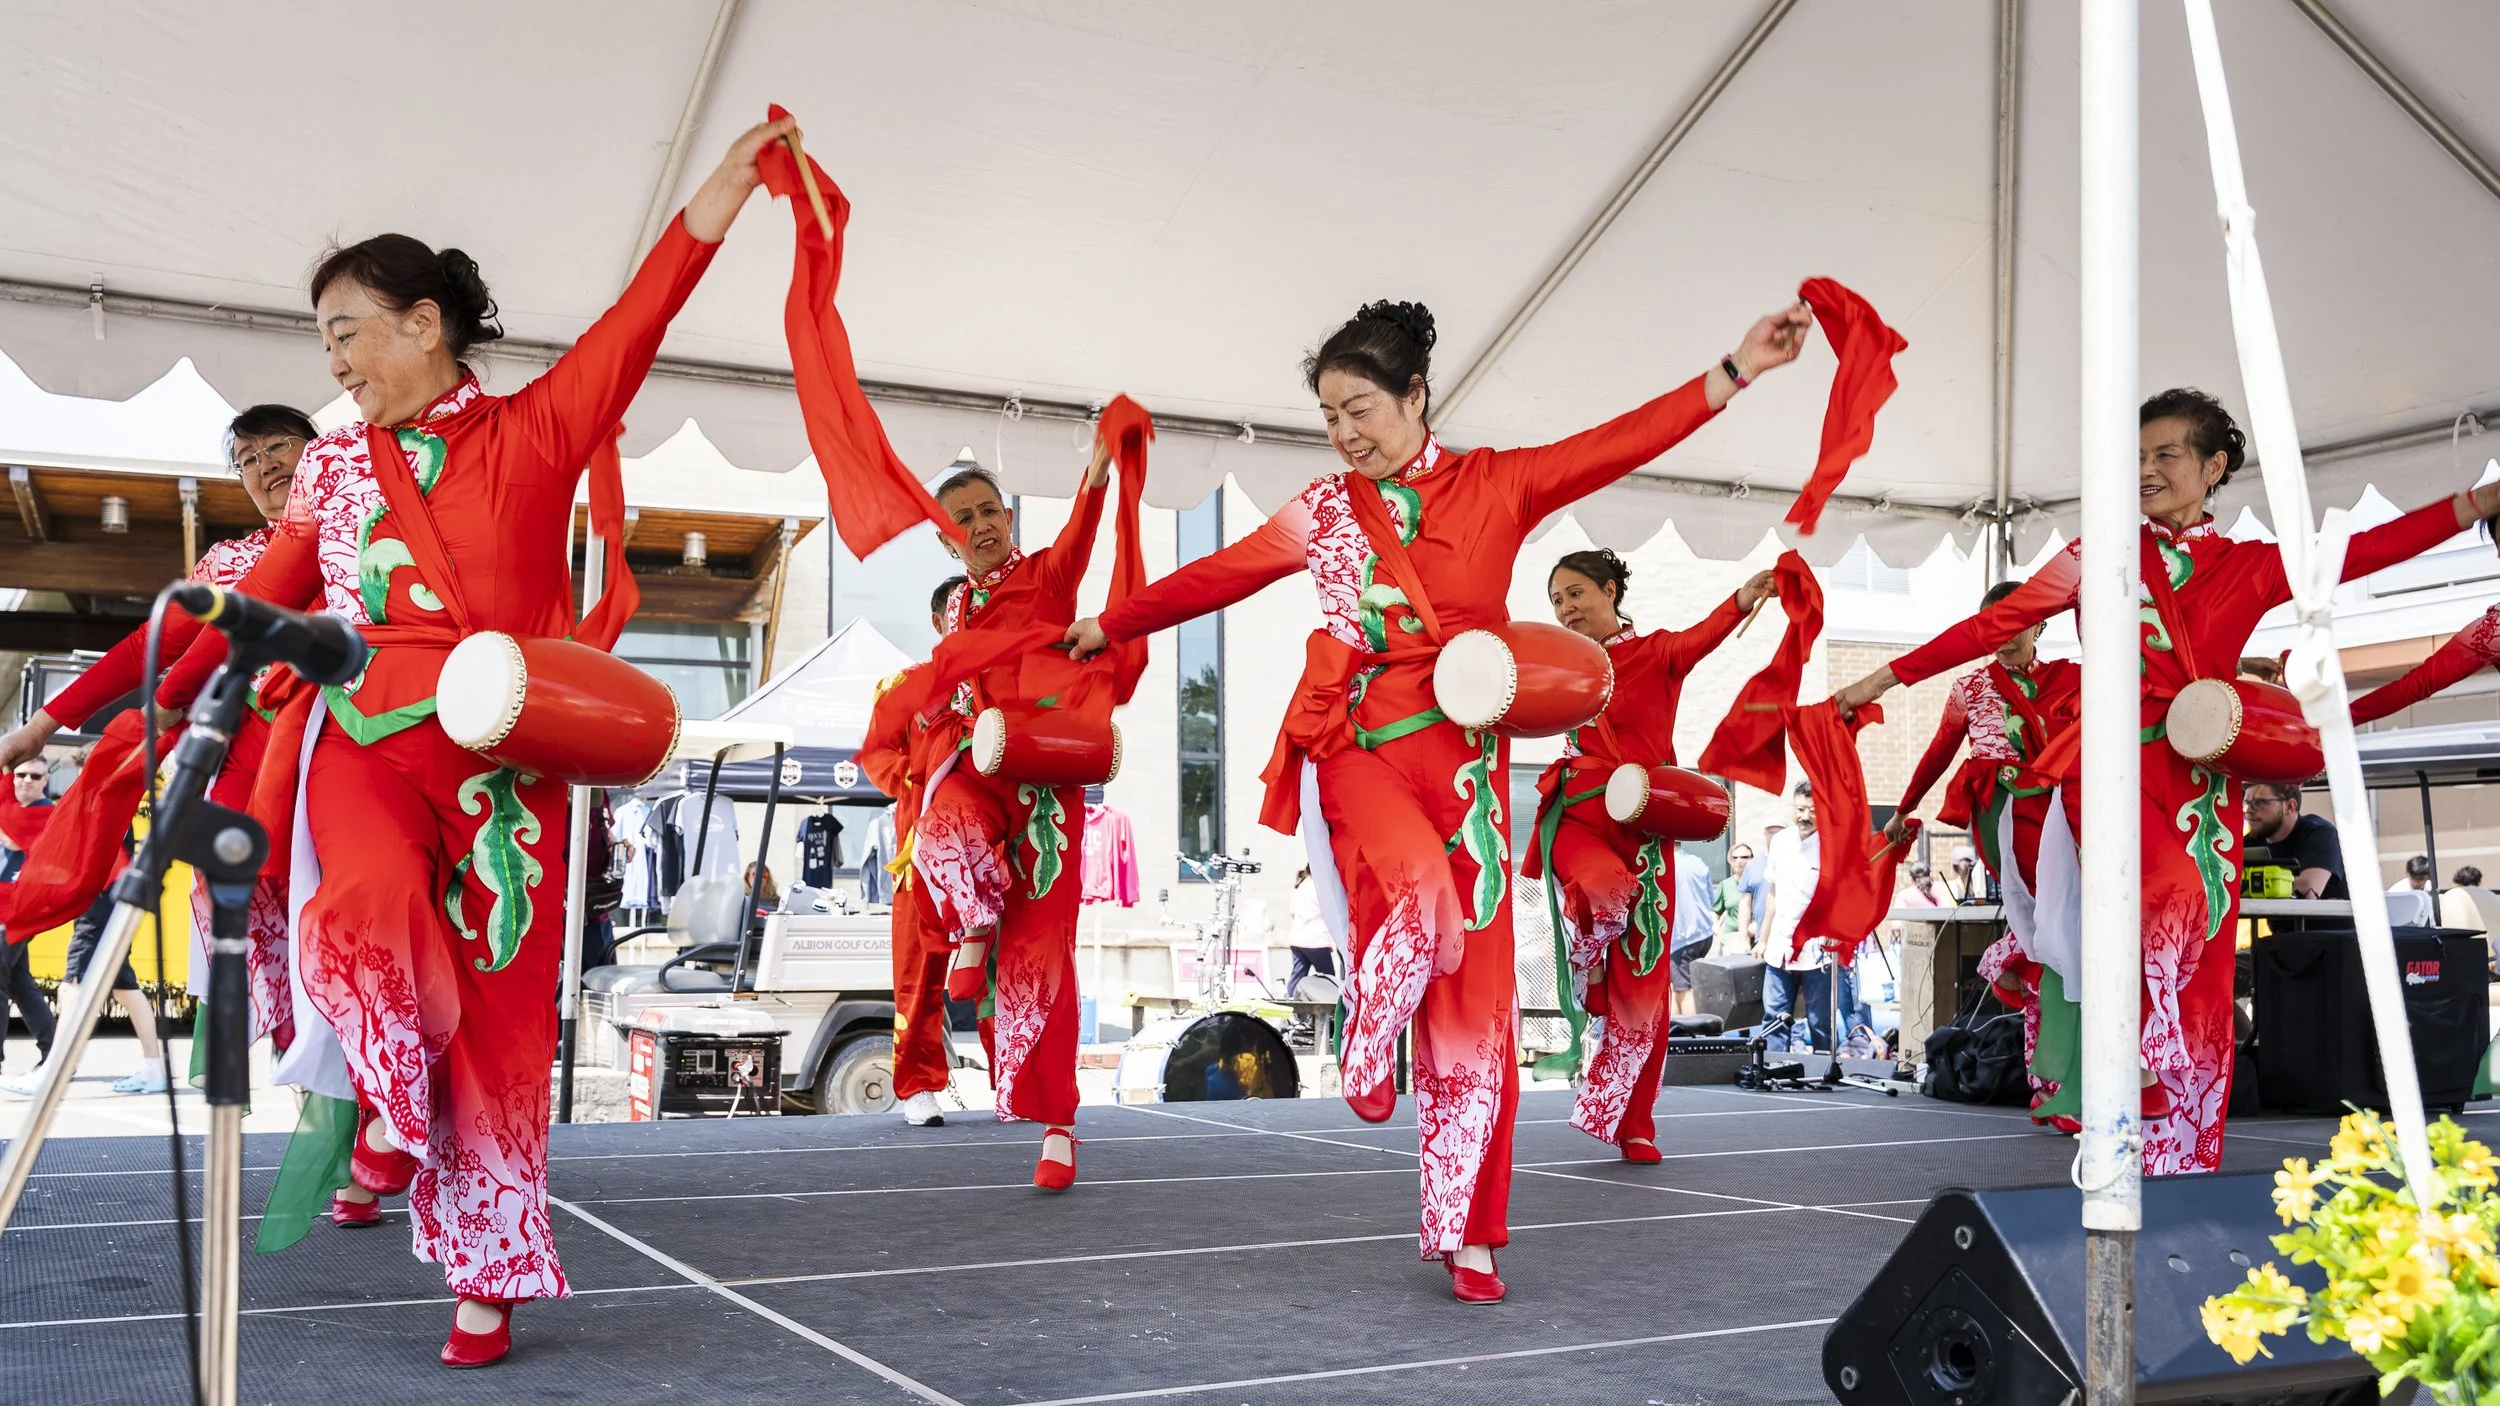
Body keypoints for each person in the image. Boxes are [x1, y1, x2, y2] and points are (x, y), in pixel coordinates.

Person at [1065, 294, 1815, 1302]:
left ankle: (1466, 1230)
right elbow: (1220, 575)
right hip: (1363, 747)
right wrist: (1109, 624)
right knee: (1416, 895)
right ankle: (1370, 1029)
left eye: (1359, 408)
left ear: (1416, 395)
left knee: (1476, 998)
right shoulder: (1329, 510)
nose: (1343, 432)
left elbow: (1618, 442)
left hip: (1465, 768)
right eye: (1329, 415)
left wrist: (1735, 369)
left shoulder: (1500, 484)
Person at [192, 117, 794, 1366]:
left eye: (349, 330)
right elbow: (266, 607)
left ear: (424, 323)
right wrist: (91, 699)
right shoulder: (335, 470)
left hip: (508, 756)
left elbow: (637, 319)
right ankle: (384, 1112)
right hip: (361, 728)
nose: (338, 360)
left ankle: (485, 1275)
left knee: (504, 1020)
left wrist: (725, 189)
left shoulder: (535, 431)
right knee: (358, 904)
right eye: (325, 341)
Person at [1834, 387, 2500, 1173]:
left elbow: (2368, 550)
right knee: (2125, 956)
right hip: (2113, 784)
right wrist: (1882, 678)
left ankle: (2186, 1160)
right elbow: (1989, 627)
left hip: (2202, 791)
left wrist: (2475, 503)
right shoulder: (2097, 556)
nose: (2145, 470)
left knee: (2203, 975)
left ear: (2213, 467)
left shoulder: (2249, 567)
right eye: (2136, 457)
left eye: (2166, 455)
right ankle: (2115, 1134)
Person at [1520, 545, 1774, 1160]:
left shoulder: (1657, 653)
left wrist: (1748, 594)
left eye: (1575, 594)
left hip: (1642, 823)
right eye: (1556, 601)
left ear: (1610, 591)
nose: (1565, 609)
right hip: (1579, 816)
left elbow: (1705, 636)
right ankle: (1584, 977)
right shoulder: (1562, 663)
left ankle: (1630, 1120)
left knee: (1647, 985)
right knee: (1604, 895)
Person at [911, 443, 1114, 1190]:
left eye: (989, 510)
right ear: (945, 538)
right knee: (937, 833)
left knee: (1042, 958)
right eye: (962, 518)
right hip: (977, 768)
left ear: (1008, 514)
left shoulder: (1046, 578)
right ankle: (971, 923)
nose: (981, 525)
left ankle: (1059, 1124)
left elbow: (1082, 533)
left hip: (1043, 786)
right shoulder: (957, 606)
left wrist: (1094, 471)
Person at [1884, 575, 2080, 1121]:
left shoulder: (2074, 680)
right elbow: (1937, 754)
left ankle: (2056, 1079)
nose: (2006, 637)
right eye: (1994, 628)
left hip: (2067, 816)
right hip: (2009, 816)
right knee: (2055, 934)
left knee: (2064, 935)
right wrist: (1903, 809)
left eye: (2017, 625)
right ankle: (2051, 1085)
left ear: (2041, 624)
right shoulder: (1970, 689)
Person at [858, 575, 968, 1130]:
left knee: (1005, 967)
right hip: (923, 855)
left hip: (995, 852)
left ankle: (1016, 1080)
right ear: (939, 622)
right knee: (919, 977)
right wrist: (918, 780)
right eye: (961, 610)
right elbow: (876, 754)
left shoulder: (1011, 685)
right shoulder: (905, 687)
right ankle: (918, 1085)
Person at [1753, 782, 1830, 1053]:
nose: (1805, 816)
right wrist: (1763, 938)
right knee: (1774, 1015)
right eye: (1800, 809)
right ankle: (1772, 1068)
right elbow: (1772, 892)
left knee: (1820, 1020)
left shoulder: (1830, 845)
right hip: (1780, 944)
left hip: (1816, 948)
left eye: (1812, 810)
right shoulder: (1781, 841)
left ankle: (1823, 1070)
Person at [0, 761, 59, 1075]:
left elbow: (13, 838)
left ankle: (54, 1053)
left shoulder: (46, 813)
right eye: (19, 774)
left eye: (34, 776)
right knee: (20, 983)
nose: (25, 780)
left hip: (18, 909)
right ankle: (55, 1052)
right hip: (5, 906)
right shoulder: (12, 808)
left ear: (45, 780)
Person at [2243, 783, 2345, 901]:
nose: (2249, 811)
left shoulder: (2321, 833)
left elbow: (2308, 890)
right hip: (2284, 917)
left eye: (2259, 802)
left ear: (2290, 806)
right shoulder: (2251, 841)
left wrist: (2248, 884)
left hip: (2327, 919)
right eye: (2246, 803)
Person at [1670, 847, 1716, 1018]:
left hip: (1681, 936)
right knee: (1682, 985)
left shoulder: (1665, 864)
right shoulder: (1697, 862)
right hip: (1703, 933)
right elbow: (1711, 897)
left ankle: (1691, 1036)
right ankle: (1677, 1034)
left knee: (1682, 989)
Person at [1713, 841, 1755, 955]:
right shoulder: (1725, 884)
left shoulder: (1759, 883)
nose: (1739, 861)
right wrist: (1715, 924)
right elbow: (1715, 910)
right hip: (1732, 940)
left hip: (1756, 938)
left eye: (1744, 857)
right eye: (1735, 858)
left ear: (1752, 859)